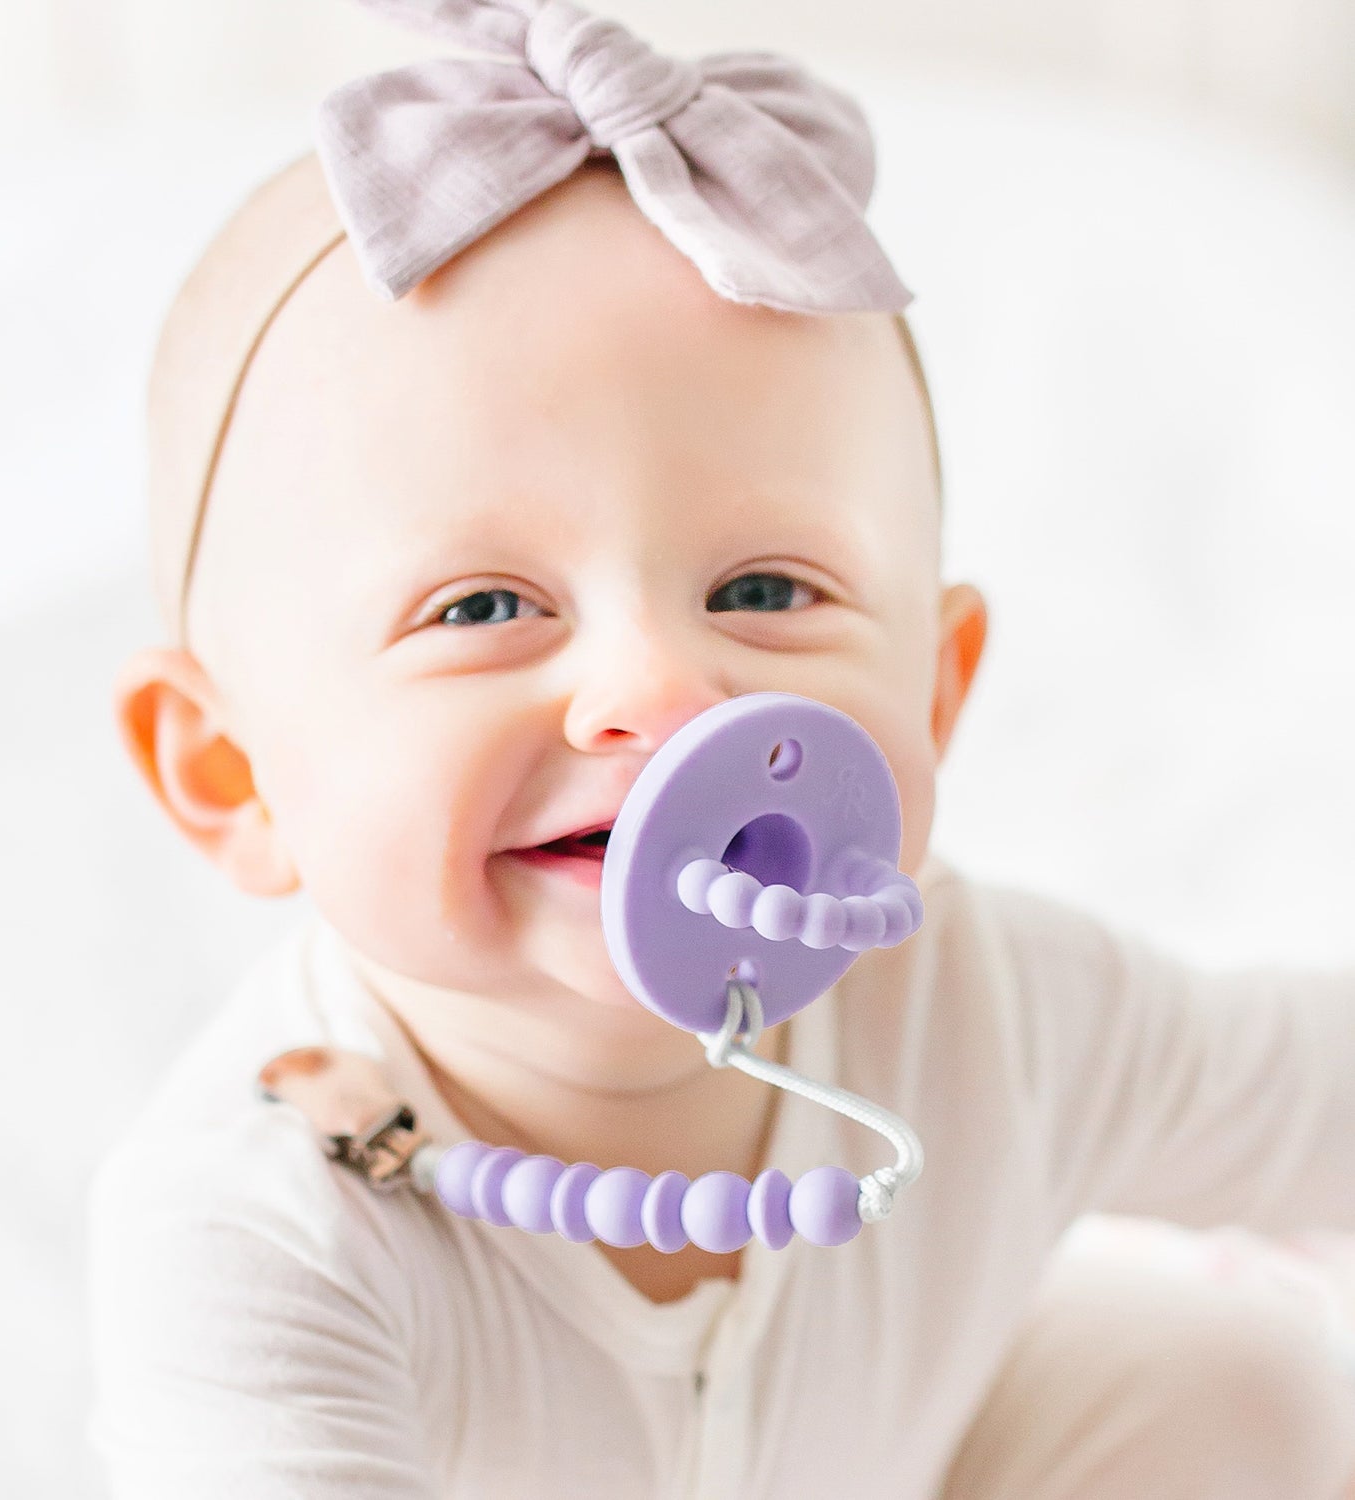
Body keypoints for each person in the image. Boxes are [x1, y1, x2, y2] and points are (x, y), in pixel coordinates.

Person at [88, 2, 1355, 1494]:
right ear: (230, 773)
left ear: (933, 700)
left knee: (1218, 1381)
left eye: (766, 591)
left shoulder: (984, 1012)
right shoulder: (259, 1235)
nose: (661, 690)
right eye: (484, 604)